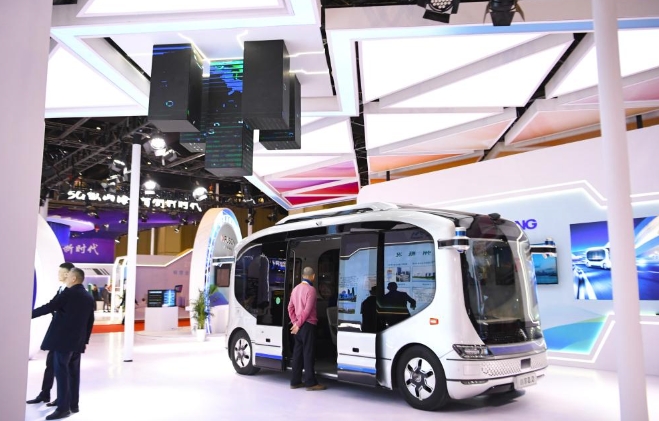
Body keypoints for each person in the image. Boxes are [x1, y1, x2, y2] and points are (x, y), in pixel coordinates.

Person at [32, 268, 95, 420]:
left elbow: (49, 307)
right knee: (73, 374)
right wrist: (84, 341)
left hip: (62, 342)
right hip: (77, 342)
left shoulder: (68, 293)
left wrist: (27, 314)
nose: (65, 279)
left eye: (68, 276)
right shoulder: (88, 296)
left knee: (61, 374)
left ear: (73, 279)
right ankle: (73, 405)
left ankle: (63, 408)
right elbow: (90, 321)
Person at [27, 262, 75, 406]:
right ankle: (45, 394)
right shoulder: (62, 289)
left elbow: (51, 306)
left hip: (65, 337)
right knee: (50, 365)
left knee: (62, 368)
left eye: (60, 272)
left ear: (66, 274)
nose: (58, 274)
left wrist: (29, 314)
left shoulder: (71, 292)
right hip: (56, 335)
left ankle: (62, 400)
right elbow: (52, 305)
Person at [287, 267, 326, 391]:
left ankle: (295, 381)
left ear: (303, 276)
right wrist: (298, 324)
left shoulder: (295, 289)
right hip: (308, 325)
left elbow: (290, 308)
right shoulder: (311, 290)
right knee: (308, 353)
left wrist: (295, 323)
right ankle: (310, 383)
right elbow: (307, 311)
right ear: (313, 276)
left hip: (298, 326)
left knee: (297, 353)